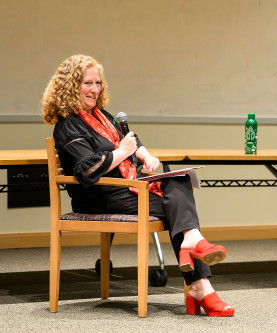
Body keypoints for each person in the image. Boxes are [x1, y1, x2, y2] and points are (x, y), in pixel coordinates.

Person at [42, 54, 234, 317]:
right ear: (71, 86)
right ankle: (200, 281)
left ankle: (195, 257)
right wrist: (122, 153)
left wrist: (145, 155)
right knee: (179, 210)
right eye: (87, 83)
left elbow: (131, 139)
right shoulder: (67, 126)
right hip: (98, 196)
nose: (95, 89)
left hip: (122, 189)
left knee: (177, 180)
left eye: (98, 83)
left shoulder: (103, 116)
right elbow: (87, 171)